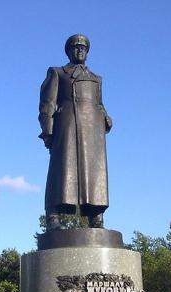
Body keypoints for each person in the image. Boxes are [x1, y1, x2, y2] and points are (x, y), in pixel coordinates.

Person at [39, 34, 113, 230]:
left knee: (95, 172)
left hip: (93, 131)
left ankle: (96, 215)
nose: (79, 50)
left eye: (83, 48)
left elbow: (99, 103)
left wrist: (106, 117)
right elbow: (47, 104)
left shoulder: (96, 79)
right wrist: (47, 132)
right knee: (62, 170)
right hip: (67, 126)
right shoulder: (58, 73)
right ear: (69, 51)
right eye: (75, 47)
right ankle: (53, 216)